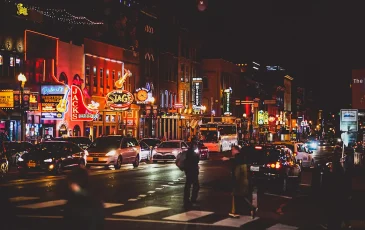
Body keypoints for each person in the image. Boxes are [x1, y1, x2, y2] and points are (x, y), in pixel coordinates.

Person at [222, 145, 256, 218]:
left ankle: (248, 209)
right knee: (240, 197)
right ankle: (238, 211)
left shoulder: (238, 160)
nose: (231, 151)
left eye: (232, 150)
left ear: (236, 150)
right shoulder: (241, 158)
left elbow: (237, 172)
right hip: (243, 181)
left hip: (239, 182)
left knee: (238, 197)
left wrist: (234, 182)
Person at [183, 136, 200, 207]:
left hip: (188, 170)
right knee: (195, 185)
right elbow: (196, 160)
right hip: (192, 170)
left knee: (188, 185)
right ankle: (193, 198)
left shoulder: (189, 150)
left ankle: (186, 199)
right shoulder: (193, 150)